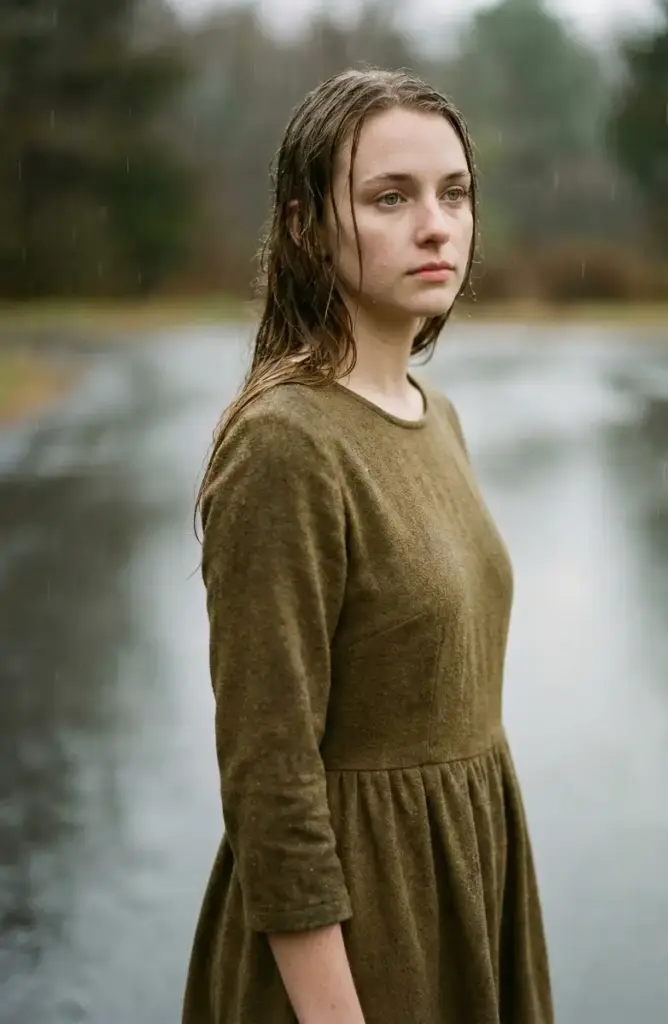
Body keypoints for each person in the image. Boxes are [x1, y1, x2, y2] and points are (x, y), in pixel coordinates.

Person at [182, 66, 554, 1024]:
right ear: (305, 226)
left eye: (454, 193)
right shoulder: (286, 444)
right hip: (355, 939)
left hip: (464, 878)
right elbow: (269, 776)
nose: (437, 225)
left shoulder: (438, 416)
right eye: (390, 197)